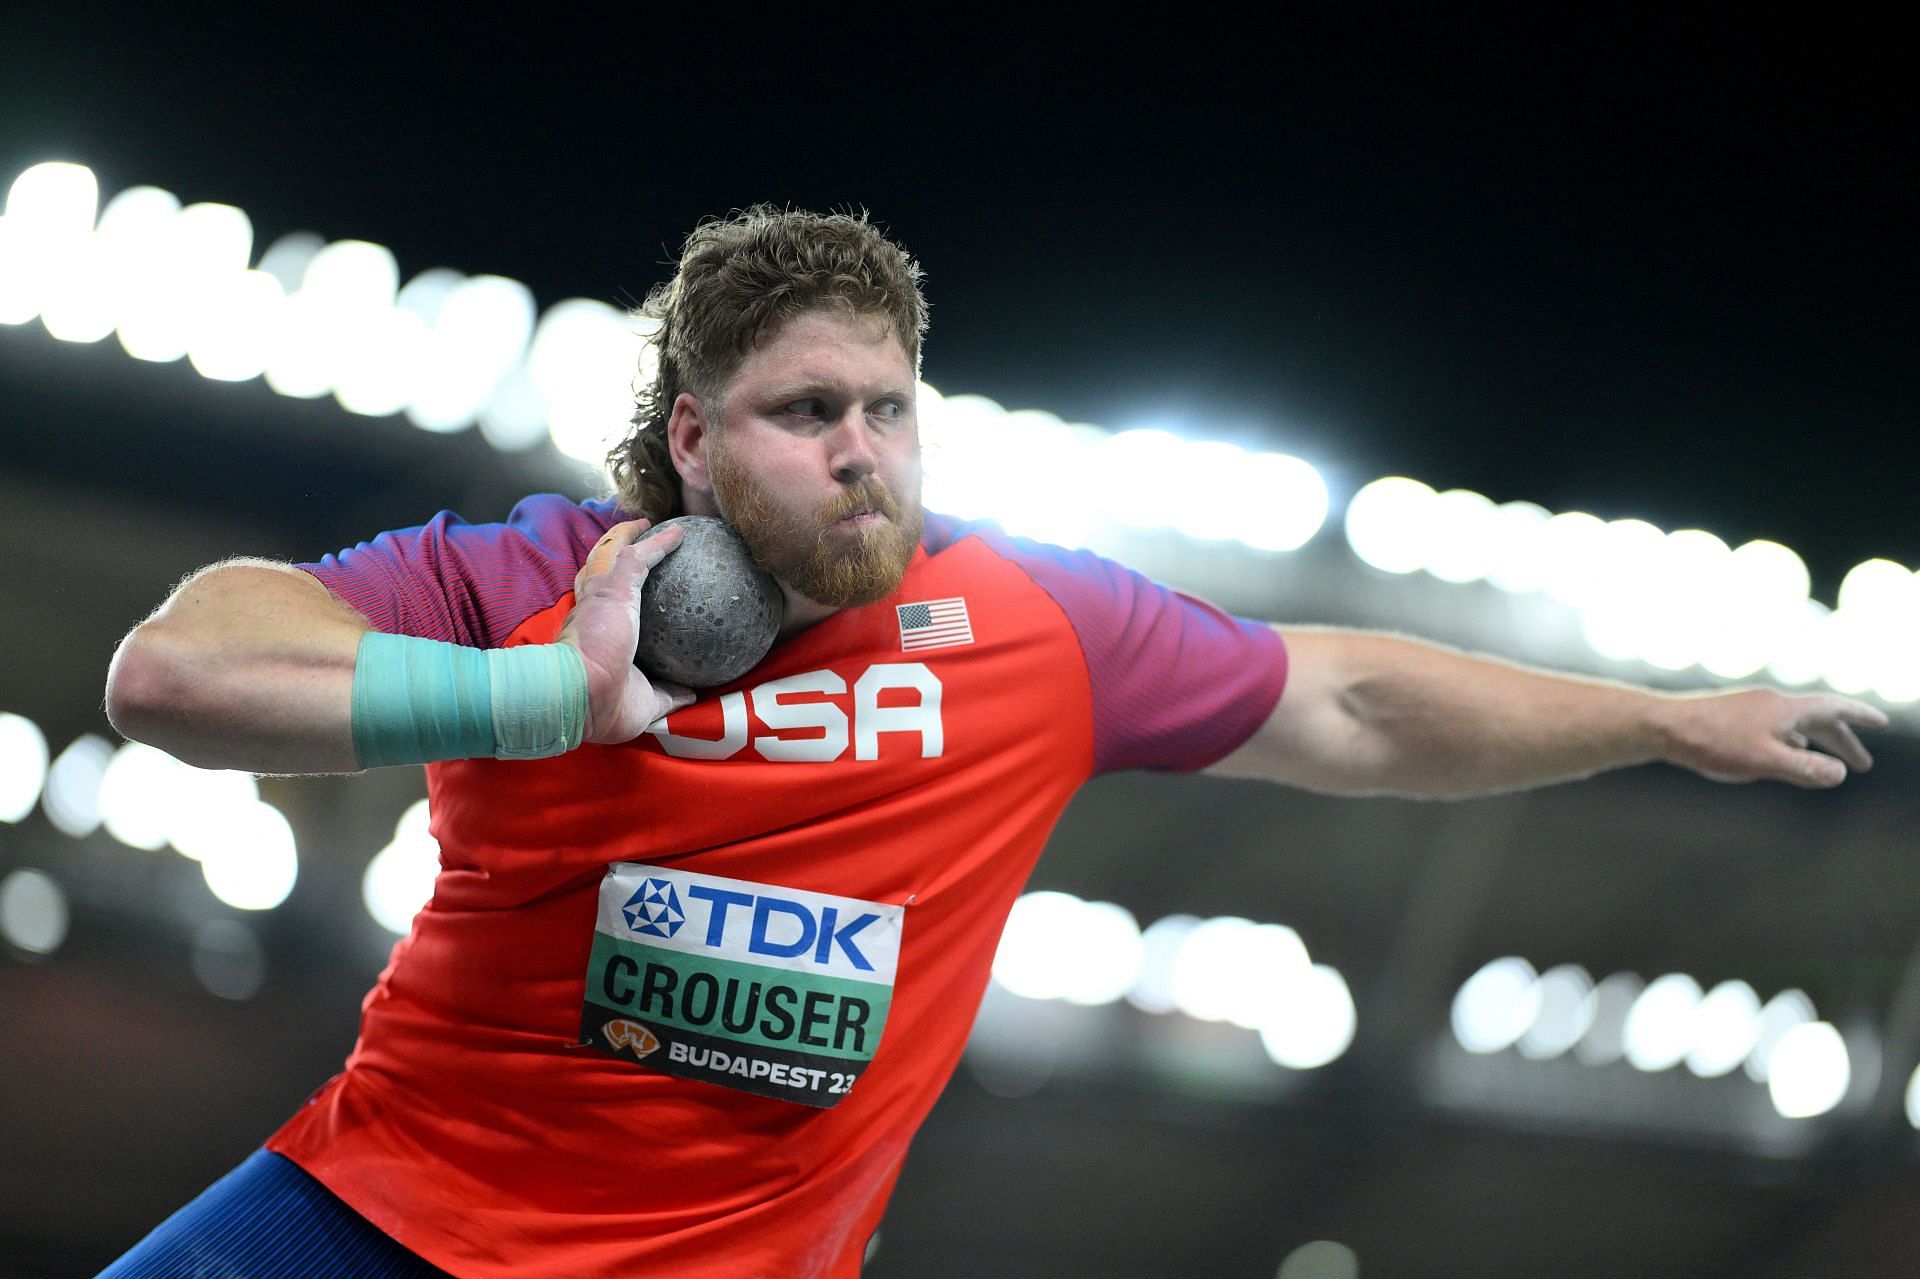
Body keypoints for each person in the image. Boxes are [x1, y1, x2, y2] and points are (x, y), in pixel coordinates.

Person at [99, 207, 1887, 1278]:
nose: (866, 448)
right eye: (809, 412)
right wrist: (541, 700)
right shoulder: (539, 584)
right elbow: (170, 679)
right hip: (377, 1225)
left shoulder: (1034, 628)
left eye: (892, 406)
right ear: (695, 441)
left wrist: (1661, 716)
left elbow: (1348, 699)